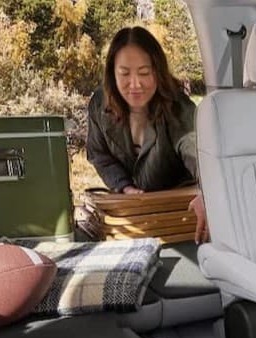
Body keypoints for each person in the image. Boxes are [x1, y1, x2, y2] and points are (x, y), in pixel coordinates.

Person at [86, 27, 209, 243]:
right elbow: (99, 154)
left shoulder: (178, 107)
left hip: (177, 217)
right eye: (124, 73)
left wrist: (208, 194)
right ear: (112, 74)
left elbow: (198, 151)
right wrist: (124, 186)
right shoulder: (99, 104)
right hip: (132, 219)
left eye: (144, 73)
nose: (135, 84)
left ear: (158, 72)